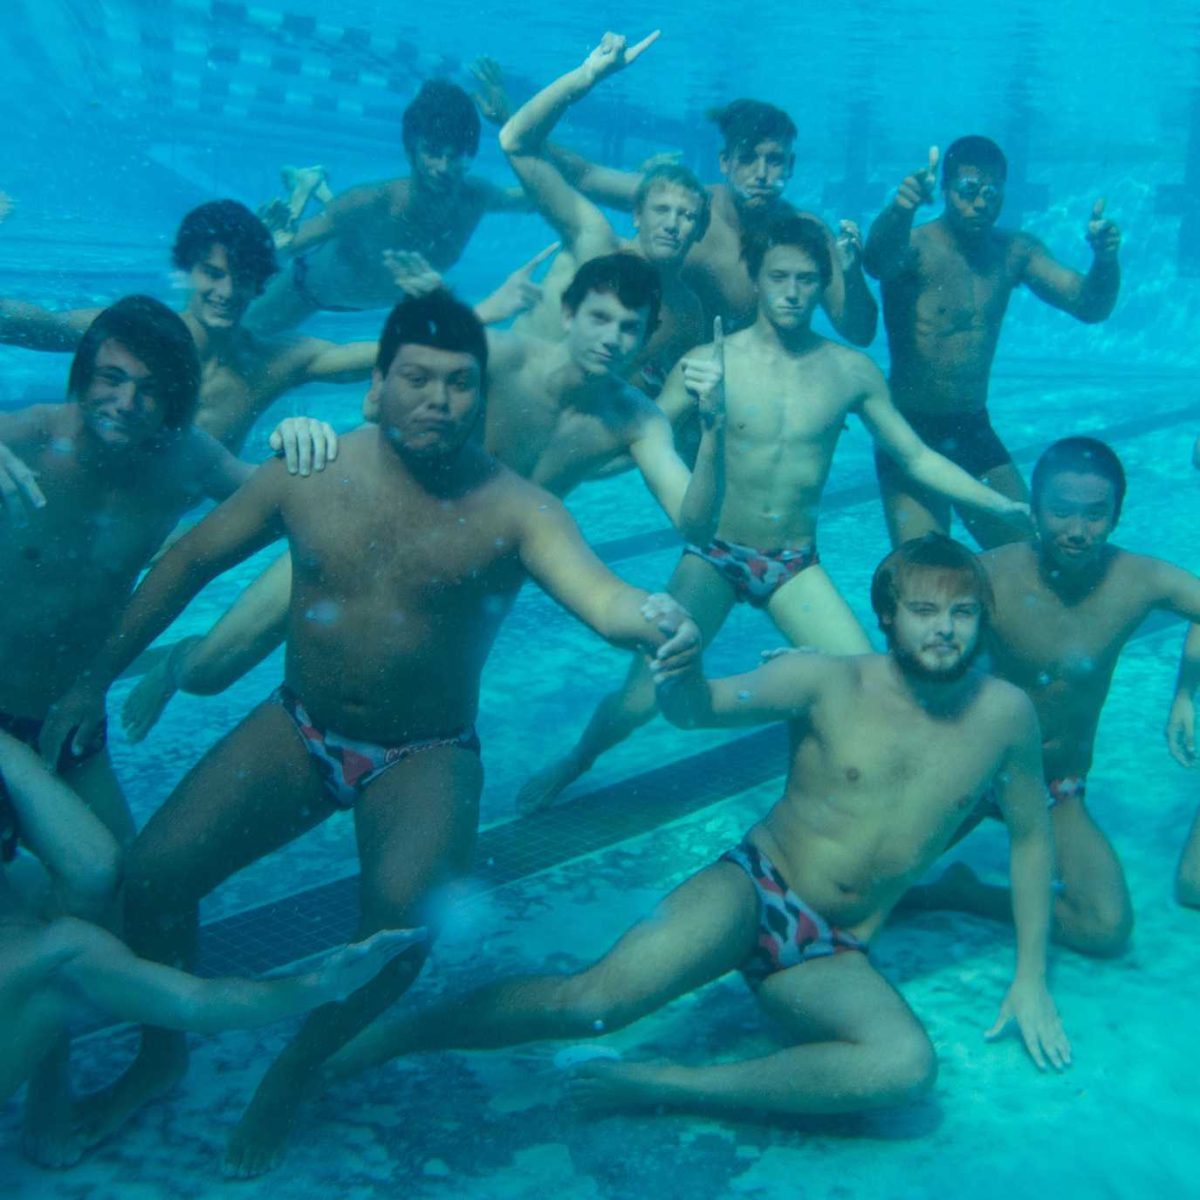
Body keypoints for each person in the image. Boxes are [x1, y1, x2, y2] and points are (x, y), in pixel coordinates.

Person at [41, 290, 701, 1177]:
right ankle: (162, 1055)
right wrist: (90, 677)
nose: (438, 399)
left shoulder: (519, 509)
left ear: (482, 396)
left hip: (424, 754)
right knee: (153, 878)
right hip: (298, 726)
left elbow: (602, 597)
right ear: (377, 387)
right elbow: (190, 559)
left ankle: (296, 1069)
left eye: (460, 384)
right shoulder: (313, 472)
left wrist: (652, 617)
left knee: (399, 939)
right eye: (416, 379)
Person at [316, 534, 1068, 1125]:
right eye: (926, 611)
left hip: (837, 949)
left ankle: (669, 1083)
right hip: (756, 887)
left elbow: (1033, 838)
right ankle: (398, 1032)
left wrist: (1030, 977)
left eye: (962, 613)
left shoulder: (1006, 717)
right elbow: (700, 708)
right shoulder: (827, 679)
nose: (944, 630)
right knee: (590, 1003)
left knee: (904, 1068)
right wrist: (681, 669)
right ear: (888, 615)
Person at [517, 214, 1029, 812]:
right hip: (714, 555)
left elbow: (915, 457)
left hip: (793, 561)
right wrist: (540, 479)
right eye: (779, 276)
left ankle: (911, 789)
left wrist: (997, 502)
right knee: (640, 699)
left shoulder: (850, 372)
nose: (792, 291)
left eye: (807, 280)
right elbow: (631, 443)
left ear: (821, 284)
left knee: (866, 677)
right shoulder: (709, 361)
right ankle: (575, 761)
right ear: (755, 279)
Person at [121, 253, 728, 740]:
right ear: (568, 315)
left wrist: (715, 432)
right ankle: (177, 661)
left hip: (469, 569)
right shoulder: (500, 359)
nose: (613, 338)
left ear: (648, 337)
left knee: (418, 720)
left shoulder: (637, 419)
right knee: (211, 672)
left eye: (630, 327)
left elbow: (693, 525)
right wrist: (304, 430)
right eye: (600, 318)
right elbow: (384, 390)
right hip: (371, 525)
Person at [0, 295, 334, 1164]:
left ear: (176, 400)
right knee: (64, 893)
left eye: (148, 389)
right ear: (82, 380)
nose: (123, 402)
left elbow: (283, 491)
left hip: (69, 715)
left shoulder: (184, 460)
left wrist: (301, 435)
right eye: (108, 379)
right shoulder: (32, 433)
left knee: (135, 887)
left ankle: (105, 1072)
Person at [0, 729, 421, 1159]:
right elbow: (91, 870)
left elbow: (194, 999)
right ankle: (49, 1094)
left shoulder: (48, 950)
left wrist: (319, 986)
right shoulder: (48, 946)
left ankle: (49, 1088)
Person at [905, 439, 1200, 956]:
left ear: (1117, 515)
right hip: (970, 770)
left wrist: (1186, 692)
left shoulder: (1140, 580)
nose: (1078, 531)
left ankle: (966, 894)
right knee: (860, 895)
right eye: (1061, 512)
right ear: (1034, 510)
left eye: (1095, 515)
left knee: (1104, 927)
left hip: (1052, 785)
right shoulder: (985, 575)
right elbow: (906, 641)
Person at [862, 137, 1122, 549]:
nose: (980, 202)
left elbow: (1089, 305)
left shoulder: (1014, 252)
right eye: (968, 191)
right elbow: (877, 260)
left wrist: (1105, 260)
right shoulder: (916, 247)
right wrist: (902, 207)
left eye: (992, 192)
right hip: (908, 427)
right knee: (921, 567)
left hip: (971, 427)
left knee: (1029, 556)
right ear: (946, 190)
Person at [0, 200, 374, 454]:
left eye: (242, 277)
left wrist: (431, 306)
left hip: (168, 536)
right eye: (213, 274)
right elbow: (36, 325)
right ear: (187, 271)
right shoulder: (134, 332)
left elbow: (387, 355)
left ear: (260, 283)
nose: (226, 292)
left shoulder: (272, 362)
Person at [545, 76, 877, 343]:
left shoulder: (806, 234)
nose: (761, 173)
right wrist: (512, 123)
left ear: (790, 165)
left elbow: (859, 333)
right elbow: (585, 176)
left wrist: (853, 276)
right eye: (747, 158)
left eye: (774, 160)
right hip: (659, 375)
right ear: (724, 162)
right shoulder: (683, 204)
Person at [497, 30, 709, 393]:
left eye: (686, 216)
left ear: (700, 230)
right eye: (661, 209)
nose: (672, 224)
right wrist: (586, 77)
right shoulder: (592, 239)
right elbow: (514, 142)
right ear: (637, 215)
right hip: (505, 398)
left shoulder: (687, 313)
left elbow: (672, 399)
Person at [245, 80, 529, 332]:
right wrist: (268, 242)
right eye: (432, 152)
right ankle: (306, 187)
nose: (443, 167)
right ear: (410, 151)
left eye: (454, 156)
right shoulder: (369, 203)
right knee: (247, 330)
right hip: (310, 290)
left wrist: (515, 124)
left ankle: (311, 183)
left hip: (366, 290)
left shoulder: (475, 197)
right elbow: (280, 249)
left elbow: (540, 196)